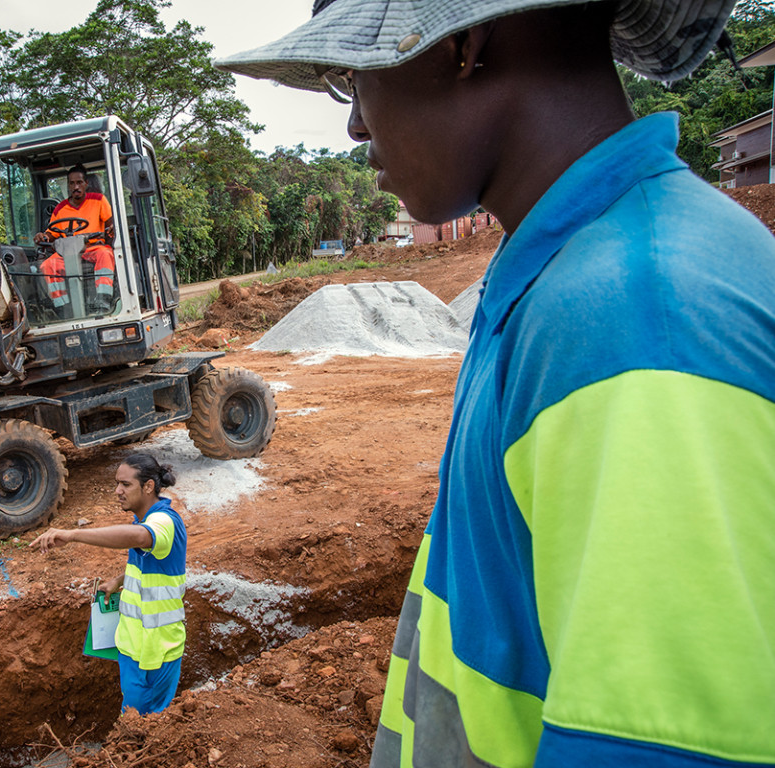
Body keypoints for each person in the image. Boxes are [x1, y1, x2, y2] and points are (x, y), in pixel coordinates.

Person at [220, 2, 775, 767]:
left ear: (461, 45)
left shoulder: (632, 316)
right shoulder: (572, 276)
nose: (353, 126)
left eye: (356, 78)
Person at [31, 453, 186, 715]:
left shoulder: (164, 522)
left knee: (144, 724)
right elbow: (155, 565)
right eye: (117, 483)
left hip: (156, 652)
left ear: (148, 486)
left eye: (126, 485)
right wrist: (119, 580)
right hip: (133, 648)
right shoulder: (146, 519)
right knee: (134, 716)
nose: (117, 491)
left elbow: (139, 538)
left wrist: (72, 535)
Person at [33, 164, 117, 315]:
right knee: (48, 265)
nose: (75, 187)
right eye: (71, 183)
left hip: (92, 247)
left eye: (79, 182)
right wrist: (43, 236)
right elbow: (51, 233)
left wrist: (111, 230)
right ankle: (63, 306)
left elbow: (111, 225)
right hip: (67, 252)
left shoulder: (99, 200)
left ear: (86, 184)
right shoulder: (60, 208)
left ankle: (103, 299)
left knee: (106, 254)